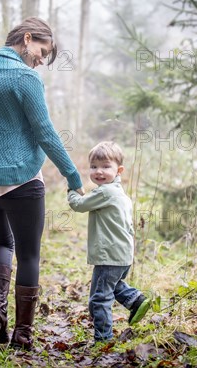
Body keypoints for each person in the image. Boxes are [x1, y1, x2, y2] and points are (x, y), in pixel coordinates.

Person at [0, 17, 84, 350]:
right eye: (42, 51)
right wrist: (72, 175)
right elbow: (45, 133)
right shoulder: (25, 77)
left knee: (2, 243)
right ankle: (22, 335)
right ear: (27, 37)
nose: (41, 60)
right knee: (29, 254)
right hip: (21, 179)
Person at [67, 141, 150, 343]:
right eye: (94, 167)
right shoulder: (120, 193)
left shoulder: (105, 192)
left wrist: (71, 189)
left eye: (106, 166)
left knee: (99, 299)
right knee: (111, 287)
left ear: (119, 170)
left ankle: (103, 339)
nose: (99, 172)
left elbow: (78, 204)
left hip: (109, 256)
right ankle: (135, 300)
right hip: (122, 255)